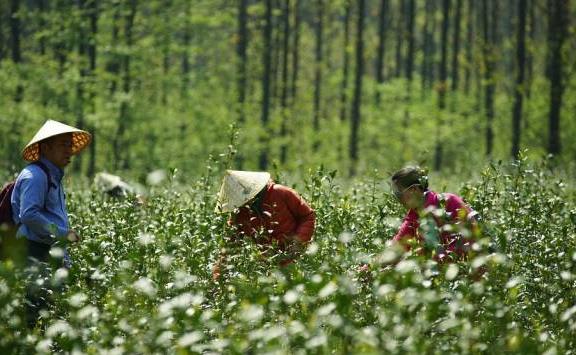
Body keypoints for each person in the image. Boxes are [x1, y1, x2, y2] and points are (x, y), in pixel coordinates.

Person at [11, 119, 91, 327]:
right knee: (36, 314)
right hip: (34, 253)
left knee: (51, 314)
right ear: (45, 147)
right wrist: (63, 233)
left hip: (47, 252)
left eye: (70, 145)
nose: (70, 151)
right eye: (63, 144)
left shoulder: (52, 176)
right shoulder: (35, 175)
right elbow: (29, 215)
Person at [212, 170, 315, 280]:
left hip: (298, 256)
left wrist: (298, 241)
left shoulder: (280, 192)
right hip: (269, 265)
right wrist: (218, 275)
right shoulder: (240, 213)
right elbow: (231, 244)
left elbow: (308, 216)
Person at [390, 166, 479, 263]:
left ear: (414, 189)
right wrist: (372, 267)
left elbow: (473, 237)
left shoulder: (450, 202)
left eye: (399, 194)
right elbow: (395, 249)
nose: (398, 200)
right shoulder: (413, 218)